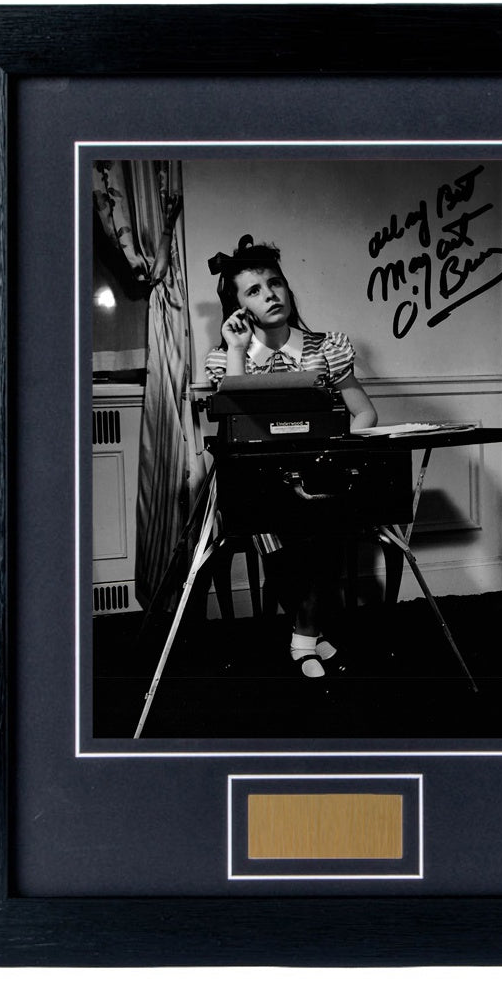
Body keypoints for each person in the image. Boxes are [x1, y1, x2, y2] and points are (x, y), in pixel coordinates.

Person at [204, 236, 377, 677]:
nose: (270, 295)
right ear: (239, 308)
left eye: (275, 283)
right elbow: (234, 425)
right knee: (272, 520)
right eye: (254, 290)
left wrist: (340, 452)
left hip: (320, 475)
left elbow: (364, 412)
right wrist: (238, 351)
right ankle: (310, 635)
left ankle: (303, 636)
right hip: (258, 483)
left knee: (324, 515)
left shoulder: (325, 347)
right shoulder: (227, 358)